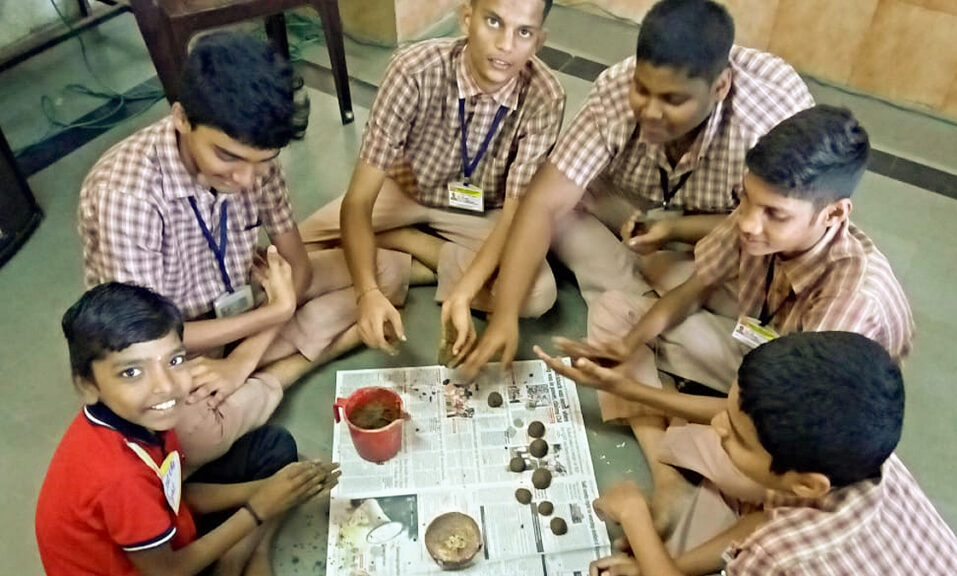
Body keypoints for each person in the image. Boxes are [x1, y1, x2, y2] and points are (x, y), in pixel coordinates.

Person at [547, 105, 915, 530]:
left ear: (834, 215)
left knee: (754, 474)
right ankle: (669, 478)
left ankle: (684, 440)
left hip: (792, 421)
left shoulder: (852, 301)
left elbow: (771, 419)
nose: (748, 225)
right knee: (616, 310)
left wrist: (632, 389)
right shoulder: (752, 223)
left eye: (774, 213)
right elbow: (691, 290)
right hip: (758, 360)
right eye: (745, 201)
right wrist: (628, 346)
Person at [462, 0, 814, 376]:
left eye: (673, 100)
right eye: (642, 90)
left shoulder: (767, 126)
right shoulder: (617, 89)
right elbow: (544, 202)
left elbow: (782, 229)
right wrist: (504, 317)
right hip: (628, 203)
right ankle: (644, 307)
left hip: (731, 226)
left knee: (753, 289)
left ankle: (641, 309)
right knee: (561, 215)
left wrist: (678, 230)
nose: (650, 111)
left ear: (720, 87)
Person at [78, 32, 373, 468]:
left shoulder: (253, 160)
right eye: (227, 157)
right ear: (181, 119)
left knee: (382, 274)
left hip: (247, 302)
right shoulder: (126, 196)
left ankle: (258, 368)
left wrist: (244, 356)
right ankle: (290, 367)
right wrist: (274, 314)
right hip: (174, 342)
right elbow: (147, 337)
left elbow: (298, 266)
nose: (248, 180)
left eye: (264, 161)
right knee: (190, 437)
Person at [540, 331, 957, 575]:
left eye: (738, 437)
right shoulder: (863, 460)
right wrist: (665, 563)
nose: (715, 427)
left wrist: (636, 519)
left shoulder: (787, 559)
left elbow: (772, 538)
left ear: (805, 482)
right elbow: (769, 518)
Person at [299, 0, 564, 363]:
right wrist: (368, 293)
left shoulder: (546, 96)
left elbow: (516, 217)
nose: (506, 44)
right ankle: (416, 256)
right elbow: (360, 201)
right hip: (406, 190)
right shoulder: (412, 70)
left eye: (523, 32)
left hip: (483, 209)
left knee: (538, 294)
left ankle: (408, 247)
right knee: (298, 248)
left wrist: (466, 293)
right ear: (466, 18)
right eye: (493, 22)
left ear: (539, 41)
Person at [36, 283, 340, 576]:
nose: (166, 386)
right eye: (132, 372)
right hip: (163, 567)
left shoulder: (145, 420)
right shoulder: (119, 479)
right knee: (275, 488)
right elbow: (170, 570)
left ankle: (238, 559)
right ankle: (236, 562)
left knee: (274, 448)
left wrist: (266, 489)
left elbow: (177, 495)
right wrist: (258, 508)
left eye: (175, 360)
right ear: (87, 386)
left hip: (164, 531)